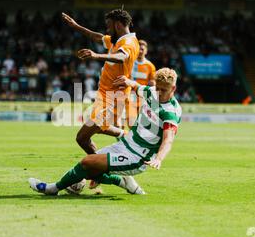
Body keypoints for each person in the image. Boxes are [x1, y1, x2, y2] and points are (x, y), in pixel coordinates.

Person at [28, 68, 181, 196]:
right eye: (157, 88)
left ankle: (52, 189)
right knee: (88, 171)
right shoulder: (152, 92)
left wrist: (159, 158)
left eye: (164, 90)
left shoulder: (169, 113)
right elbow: (136, 86)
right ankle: (123, 181)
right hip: (125, 144)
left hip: (138, 157)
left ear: (173, 88)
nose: (159, 93)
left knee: (86, 162)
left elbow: (168, 140)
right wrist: (127, 81)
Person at [61, 9, 139, 155]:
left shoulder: (128, 43)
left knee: (82, 137)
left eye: (109, 25)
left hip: (113, 98)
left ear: (117, 25)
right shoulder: (118, 40)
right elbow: (97, 37)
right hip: (105, 95)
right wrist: (76, 26)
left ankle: (99, 166)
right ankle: (124, 137)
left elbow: (122, 57)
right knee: (90, 132)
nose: (107, 29)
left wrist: (96, 55)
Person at [126, 39, 156, 127]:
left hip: (143, 96)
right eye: (139, 49)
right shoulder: (129, 63)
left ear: (146, 51)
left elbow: (153, 81)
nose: (140, 51)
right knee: (131, 122)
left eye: (142, 49)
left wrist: (153, 83)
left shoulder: (150, 66)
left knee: (144, 123)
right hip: (130, 95)